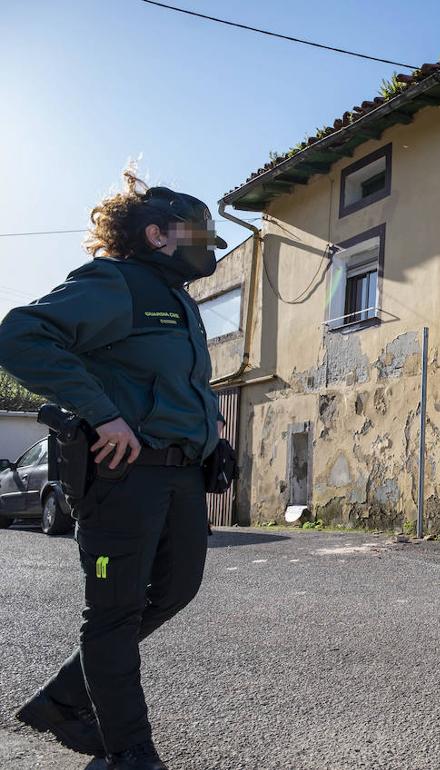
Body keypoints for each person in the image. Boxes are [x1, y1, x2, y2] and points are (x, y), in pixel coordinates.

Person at [1, 171, 228, 770]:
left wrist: (212, 442)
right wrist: (102, 414)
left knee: (175, 590)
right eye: (197, 233)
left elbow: (173, 386)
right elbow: (20, 336)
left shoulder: (179, 300)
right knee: (114, 610)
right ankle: (129, 752)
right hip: (124, 474)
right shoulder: (116, 282)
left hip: (179, 475)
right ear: (156, 234)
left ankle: (61, 700)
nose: (210, 243)